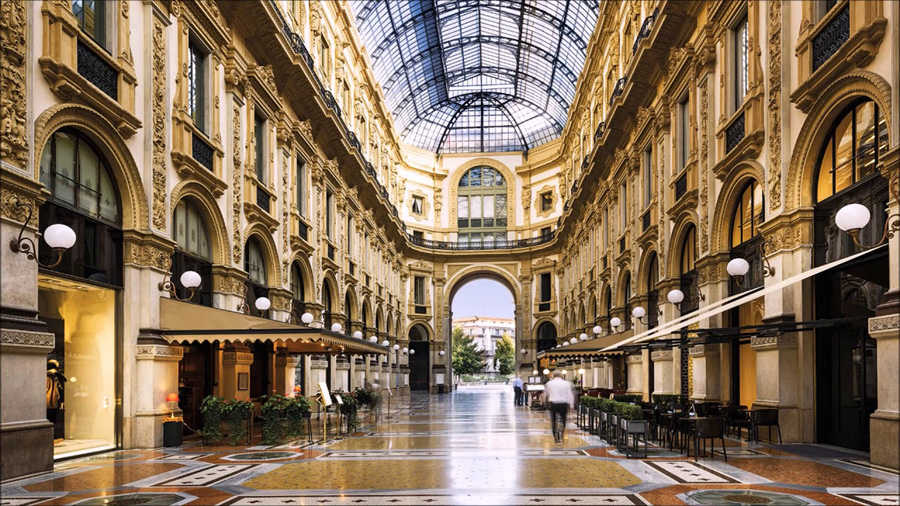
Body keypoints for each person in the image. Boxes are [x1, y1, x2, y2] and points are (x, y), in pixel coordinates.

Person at [545, 371, 575, 443]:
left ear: (553, 375)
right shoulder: (566, 383)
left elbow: (546, 393)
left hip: (553, 404)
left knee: (554, 420)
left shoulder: (549, 383)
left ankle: (556, 436)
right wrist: (571, 405)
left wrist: (546, 404)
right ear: (561, 375)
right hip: (563, 404)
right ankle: (561, 432)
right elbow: (570, 395)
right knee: (563, 419)